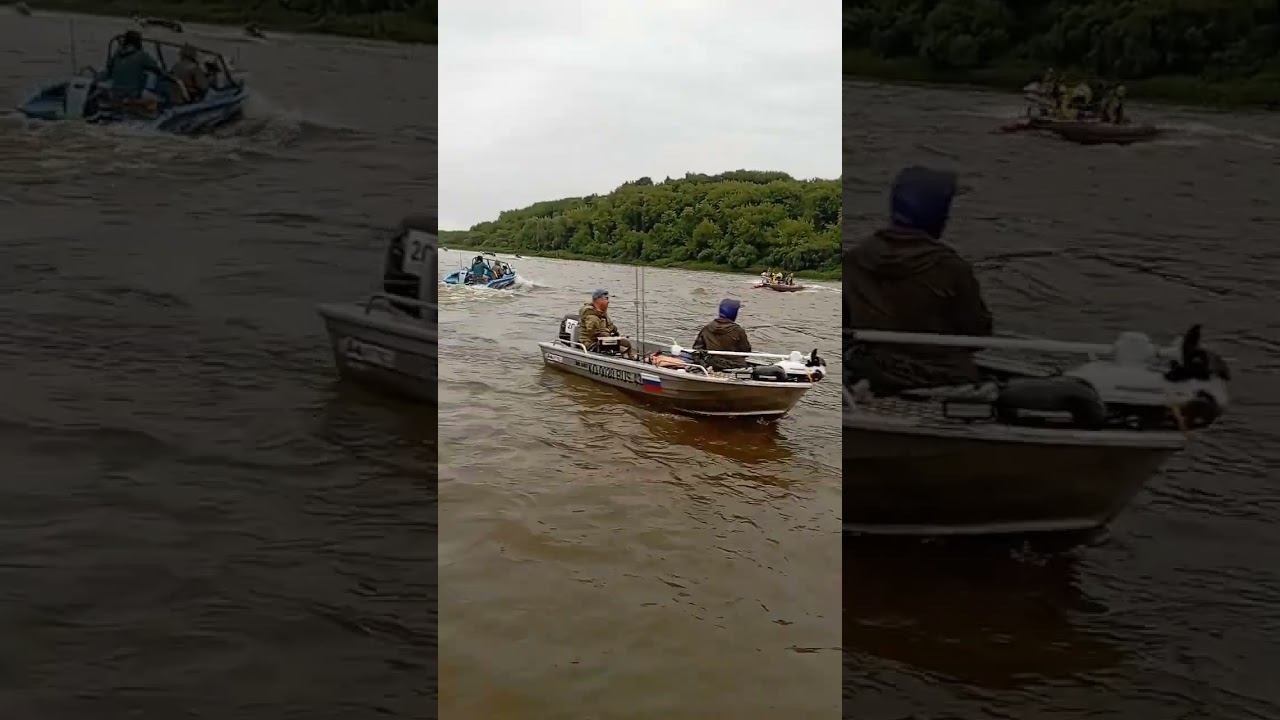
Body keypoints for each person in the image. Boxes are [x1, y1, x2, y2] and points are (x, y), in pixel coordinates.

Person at [844, 166, 993, 393]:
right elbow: (977, 335)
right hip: (941, 377)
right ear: (938, 214)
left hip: (874, 372)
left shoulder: (853, 260)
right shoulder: (950, 267)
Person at [99, 30, 174, 108]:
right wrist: (169, 75)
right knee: (161, 100)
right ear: (138, 42)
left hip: (115, 92)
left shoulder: (117, 54)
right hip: (132, 94)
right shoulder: (141, 55)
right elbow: (156, 68)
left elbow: (109, 68)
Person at [692, 298, 752, 371]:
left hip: (712, 363)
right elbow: (746, 351)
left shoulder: (707, 328)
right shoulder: (738, 331)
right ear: (734, 313)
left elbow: (697, 348)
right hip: (734, 365)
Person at [578, 289, 634, 358]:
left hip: (604, 341)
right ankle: (628, 359)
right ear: (598, 300)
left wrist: (615, 334)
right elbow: (594, 333)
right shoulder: (591, 314)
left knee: (626, 343)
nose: (608, 302)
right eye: (606, 299)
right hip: (590, 343)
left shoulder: (602, 314)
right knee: (622, 349)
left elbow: (611, 327)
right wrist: (610, 337)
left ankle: (632, 357)